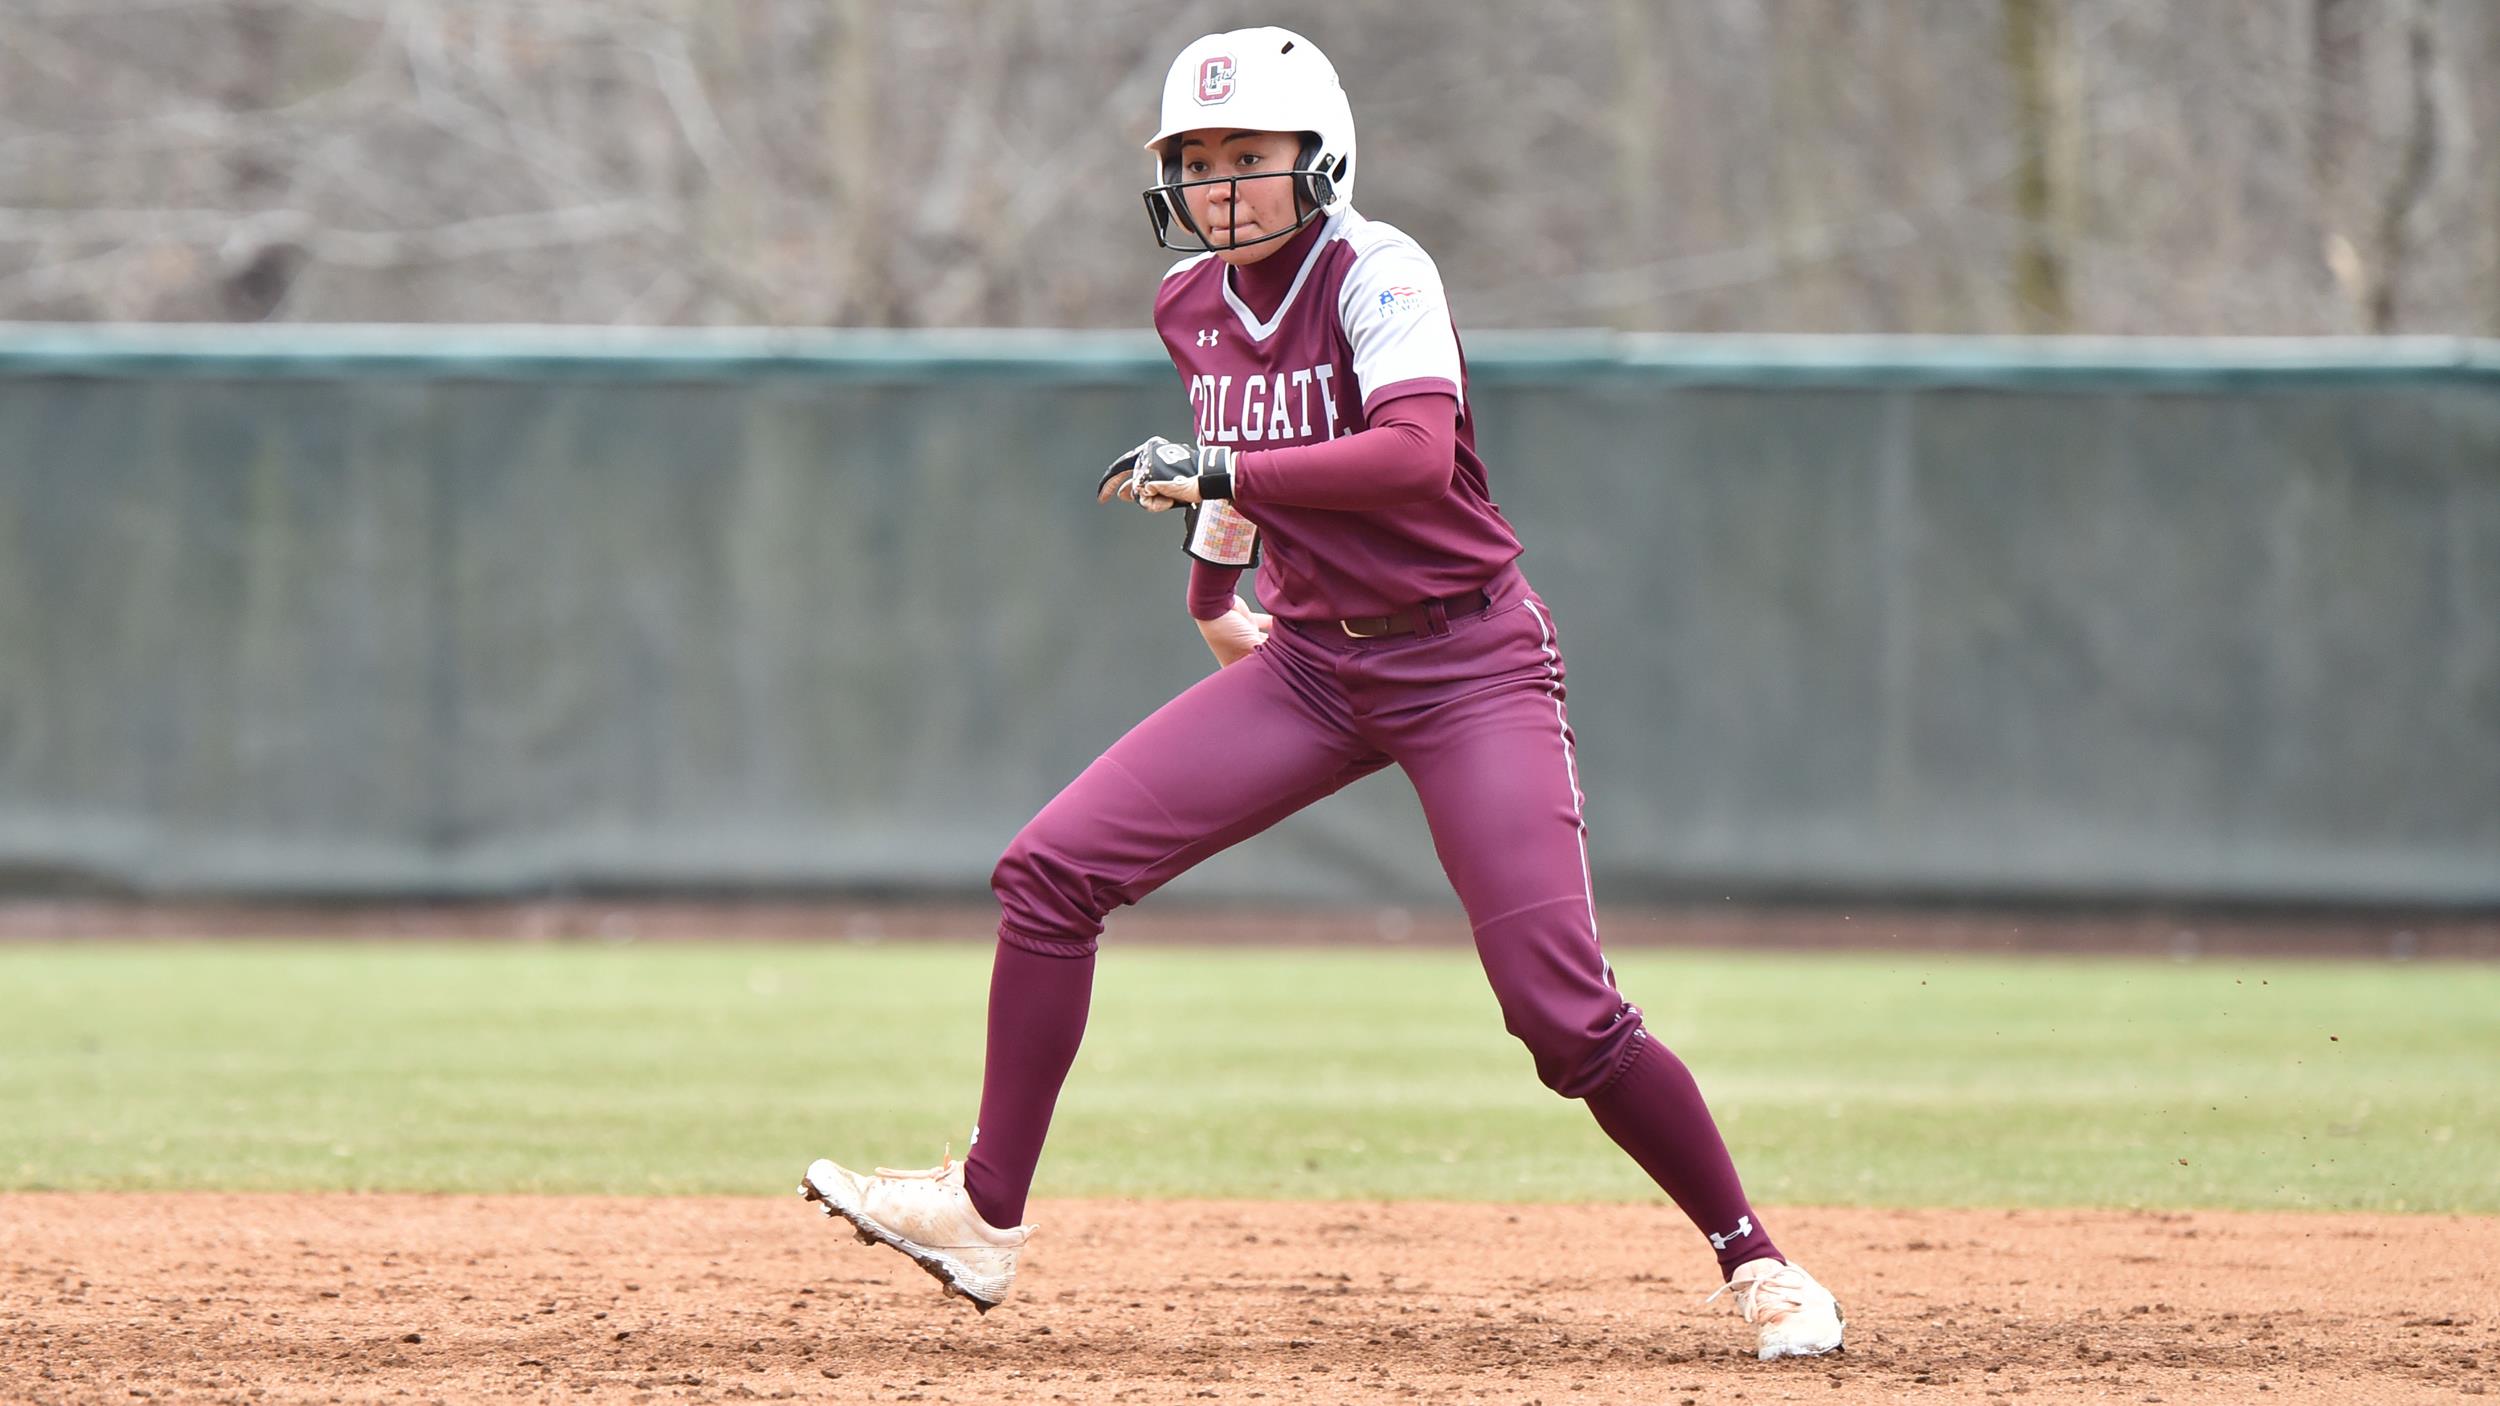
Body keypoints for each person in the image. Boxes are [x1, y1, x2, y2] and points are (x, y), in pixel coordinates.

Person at [799, 25, 1844, 1361]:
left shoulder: (1378, 267)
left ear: (1322, 156)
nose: (1219, 183)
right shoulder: (1187, 302)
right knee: (1049, 873)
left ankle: (1757, 1260)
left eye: (1248, 154)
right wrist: (1210, 597)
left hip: (1466, 660)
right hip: (1310, 664)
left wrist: (1220, 478)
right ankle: (983, 1214)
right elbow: (1234, 458)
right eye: (1196, 161)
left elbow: (1410, 456)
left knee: (1559, 1011)